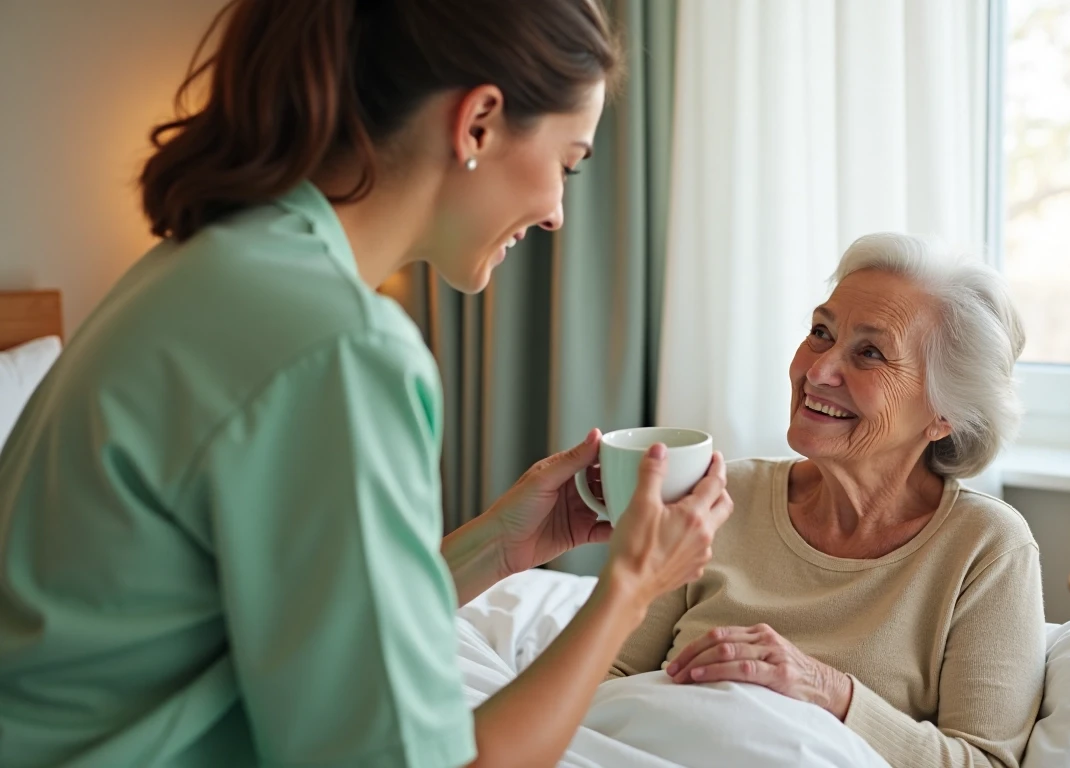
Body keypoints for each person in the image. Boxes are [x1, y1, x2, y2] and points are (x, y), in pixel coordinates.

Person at [0, 1, 734, 766]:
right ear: (478, 122)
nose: (555, 213)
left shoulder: (206, 269)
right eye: (566, 163)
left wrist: (498, 547)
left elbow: (299, 631)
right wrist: (628, 591)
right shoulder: (336, 345)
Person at [606, 233, 1047, 768]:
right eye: (821, 332)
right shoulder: (718, 498)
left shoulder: (986, 549)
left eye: (870, 352)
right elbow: (606, 680)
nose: (816, 371)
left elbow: (986, 762)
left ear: (943, 414)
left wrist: (830, 692)